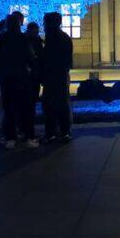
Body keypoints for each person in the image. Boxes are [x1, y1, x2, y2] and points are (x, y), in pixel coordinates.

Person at [0, 11, 36, 148]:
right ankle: (28, 136)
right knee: (25, 108)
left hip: (6, 78)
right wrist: (33, 68)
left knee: (9, 109)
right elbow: (30, 57)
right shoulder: (22, 39)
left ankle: (10, 138)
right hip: (21, 77)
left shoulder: (1, 39)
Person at [41, 11, 74, 143]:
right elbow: (68, 60)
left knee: (49, 104)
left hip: (53, 76)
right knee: (62, 103)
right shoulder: (64, 37)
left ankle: (51, 133)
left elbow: (46, 58)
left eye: (45, 23)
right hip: (61, 75)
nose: (44, 25)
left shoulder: (51, 38)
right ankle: (64, 132)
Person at [25, 21, 44, 113]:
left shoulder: (36, 39)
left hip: (35, 71)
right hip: (29, 72)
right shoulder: (26, 40)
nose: (36, 33)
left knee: (34, 94)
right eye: (35, 31)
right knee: (29, 96)